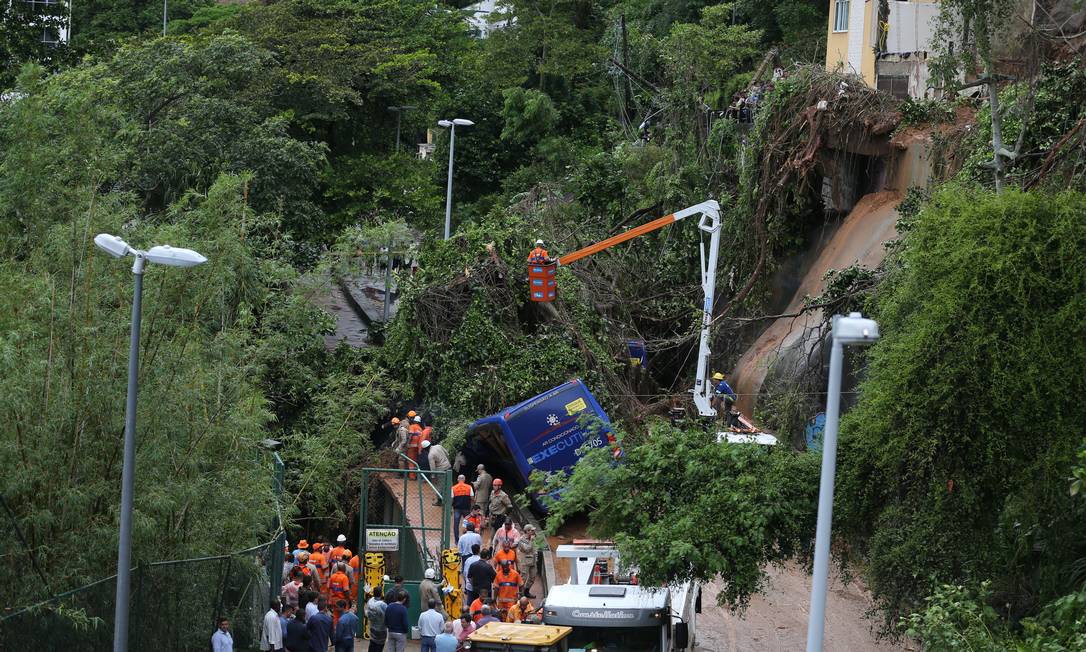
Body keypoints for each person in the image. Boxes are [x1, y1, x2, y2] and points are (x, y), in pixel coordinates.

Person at [516, 525, 539, 599]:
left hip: (533, 560)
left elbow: (535, 548)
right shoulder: (521, 540)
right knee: (523, 578)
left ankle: (526, 591)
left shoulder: (532, 538)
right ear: (527, 531)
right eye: (532, 530)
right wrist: (531, 541)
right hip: (525, 561)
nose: (533, 532)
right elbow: (527, 549)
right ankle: (521, 594)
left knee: (533, 577)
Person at [365, 585, 388, 652]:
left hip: (372, 627)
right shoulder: (382, 604)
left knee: (372, 644)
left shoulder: (370, 601)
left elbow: (366, 612)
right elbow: (388, 613)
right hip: (381, 629)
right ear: (381, 593)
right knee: (379, 646)